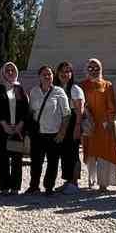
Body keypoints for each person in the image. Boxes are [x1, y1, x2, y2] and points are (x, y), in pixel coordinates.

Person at [26, 65, 70, 194]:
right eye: (44, 74)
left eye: (49, 74)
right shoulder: (34, 92)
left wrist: (62, 133)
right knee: (36, 162)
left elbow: (66, 115)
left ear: (53, 76)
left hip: (54, 134)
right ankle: (34, 185)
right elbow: (31, 111)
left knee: (52, 162)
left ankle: (49, 186)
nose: (47, 77)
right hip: (38, 133)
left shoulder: (59, 92)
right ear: (39, 77)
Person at [0, 62, 30, 194]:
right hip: (2, 130)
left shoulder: (19, 89)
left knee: (17, 159)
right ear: (3, 72)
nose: (10, 73)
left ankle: (15, 187)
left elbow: (25, 110)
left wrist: (20, 125)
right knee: (3, 159)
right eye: (8, 70)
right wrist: (4, 125)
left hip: (17, 130)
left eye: (13, 70)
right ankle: (4, 186)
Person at [80, 59, 116, 191]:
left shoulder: (107, 85)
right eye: (91, 68)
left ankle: (103, 183)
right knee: (90, 152)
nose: (94, 70)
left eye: (96, 67)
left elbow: (111, 106)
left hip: (103, 124)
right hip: (89, 123)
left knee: (104, 153)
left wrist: (109, 122)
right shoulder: (82, 85)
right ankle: (91, 180)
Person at [56, 61, 86, 194]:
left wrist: (77, 127)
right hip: (61, 123)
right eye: (62, 71)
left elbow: (79, 111)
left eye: (68, 71)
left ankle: (74, 182)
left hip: (73, 123)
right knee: (65, 153)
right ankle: (68, 180)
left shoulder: (75, 89)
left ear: (71, 74)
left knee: (73, 153)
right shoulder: (56, 88)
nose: (65, 74)